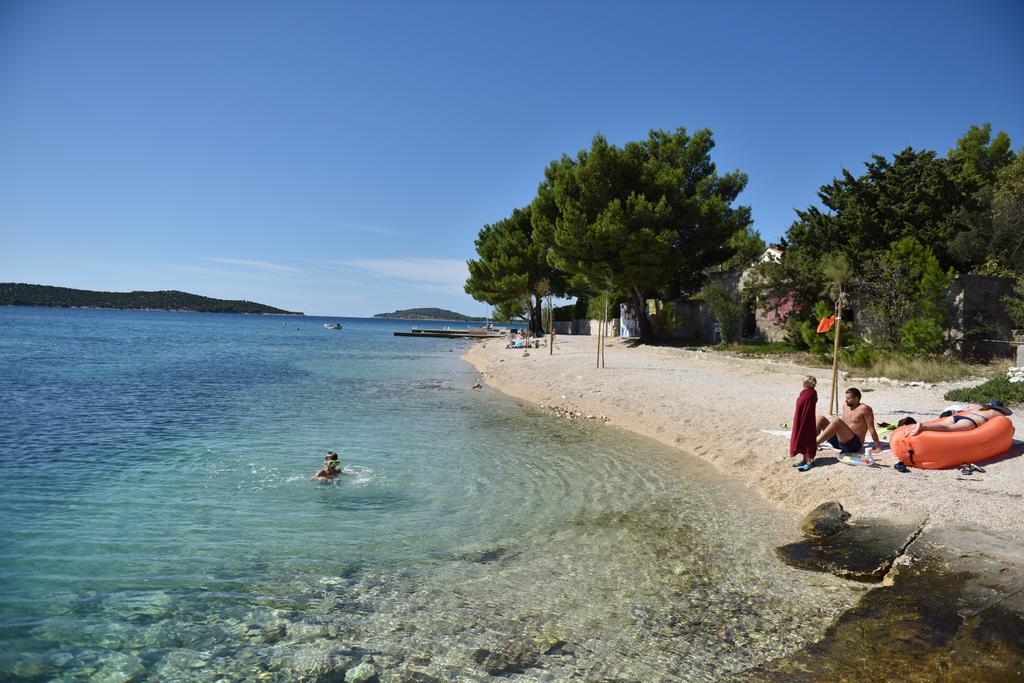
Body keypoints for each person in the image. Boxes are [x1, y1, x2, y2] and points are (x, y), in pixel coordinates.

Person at [816, 388, 881, 455]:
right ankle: (808, 441)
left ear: (856, 399)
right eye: (846, 398)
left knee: (836, 421)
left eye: (848, 398)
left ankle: (814, 444)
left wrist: (878, 447)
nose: (846, 400)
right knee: (820, 418)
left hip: (853, 445)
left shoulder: (864, 409)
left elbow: (871, 428)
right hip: (839, 442)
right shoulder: (845, 405)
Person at [910, 400, 1013, 435]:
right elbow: (1009, 428)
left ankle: (923, 425)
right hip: (970, 421)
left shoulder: (980, 409)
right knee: (949, 429)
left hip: (959, 416)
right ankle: (923, 427)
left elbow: (969, 409)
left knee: (942, 424)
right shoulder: (997, 413)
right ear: (1000, 409)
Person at [790, 376, 819, 471]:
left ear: (807, 384)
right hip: (801, 418)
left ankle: (809, 462)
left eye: (804, 383)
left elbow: (807, 406)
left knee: (808, 439)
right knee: (802, 437)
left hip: (807, 419)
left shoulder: (810, 394)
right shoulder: (807, 393)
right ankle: (804, 460)